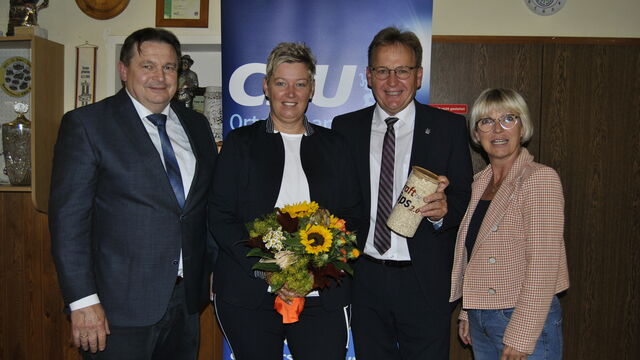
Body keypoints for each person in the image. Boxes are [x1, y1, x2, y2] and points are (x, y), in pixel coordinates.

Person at [49, 27, 218, 360]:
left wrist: (213, 269)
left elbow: (205, 207)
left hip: (185, 303)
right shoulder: (87, 125)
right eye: (148, 65)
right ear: (124, 71)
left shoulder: (196, 125)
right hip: (115, 310)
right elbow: (69, 222)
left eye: (169, 67)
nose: (160, 76)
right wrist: (83, 301)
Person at [209, 42, 362, 360]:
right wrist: (269, 271)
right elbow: (220, 215)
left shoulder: (336, 147)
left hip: (322, 295)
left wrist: (314, 273)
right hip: (250, 296)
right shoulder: (240, 144)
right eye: (281, 83)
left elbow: (354, 215)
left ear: (312, 89)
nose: (290, 93)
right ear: (266, 87)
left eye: (300, 83)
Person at [332, 27, 473, 359]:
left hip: (424, 280)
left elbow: (463, 194)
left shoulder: (448, 128)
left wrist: (443, 213)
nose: (392, 81)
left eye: (402, 70)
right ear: (369, 76)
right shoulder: (345, 128)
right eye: (382, 70)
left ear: (419, 75)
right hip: (364, 278)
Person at [450, 88, 569, 360]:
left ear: (523, 126)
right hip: (482, 318)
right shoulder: (479, 183)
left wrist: (522, 335)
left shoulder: (539, 179)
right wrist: (469, 311)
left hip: (522, 317)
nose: (497, 129)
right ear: (477, 134)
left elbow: (543, 266)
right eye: (486, 122)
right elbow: (475, 254)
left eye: (508, 118)